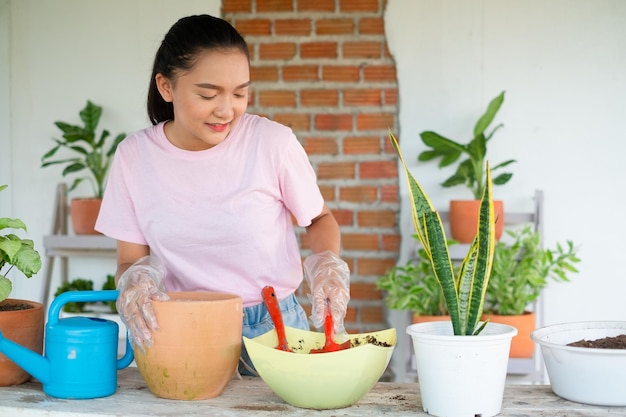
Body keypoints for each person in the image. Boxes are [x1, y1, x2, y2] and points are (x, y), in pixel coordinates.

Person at [94, 14, 350, 375]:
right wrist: (136, 281)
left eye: (240, 92)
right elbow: (130, 260)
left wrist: (327, 266)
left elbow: (320, 219)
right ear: (166, 87)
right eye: (208, 94)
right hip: (181, 327)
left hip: (273, 327)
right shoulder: (134, 157)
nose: (226, 109)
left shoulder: (272, 143)